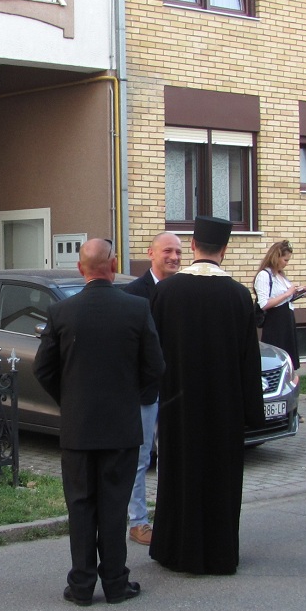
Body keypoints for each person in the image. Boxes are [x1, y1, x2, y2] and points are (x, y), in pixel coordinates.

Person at [35, 238, 164, 605]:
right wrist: (128, 396)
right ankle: (116, 583)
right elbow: (156, 366)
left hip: (78, 427)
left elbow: (43, 369)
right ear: (114, 264)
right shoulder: (137, 309)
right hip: (121, 427)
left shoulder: (62, 312)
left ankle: (80, 586)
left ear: (80, 269)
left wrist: (71, 400)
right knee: (114, 505)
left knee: (80, 506)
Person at [148, 215, 264, 576]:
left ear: (193, 247)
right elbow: (250, 358)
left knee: (179, 474)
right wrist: (252, 412)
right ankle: (219, 553)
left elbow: (153, 354)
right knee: (221, 478)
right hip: (224, 407)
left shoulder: (166, 292)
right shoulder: (239, 295)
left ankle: (175, 550)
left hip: (177, 404)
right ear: (224, 250)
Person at [121, 231, 181, 546]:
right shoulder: (133, 293)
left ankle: (171, 516)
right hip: (145, 391)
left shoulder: (184, 291)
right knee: (141, 458)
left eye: (179, 252)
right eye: (168, 251)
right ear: (152, 253)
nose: (174, 257)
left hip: (176, 391)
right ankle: (138, 521)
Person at [253, 240, 306, 369]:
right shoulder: (264, 275)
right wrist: (287, 293)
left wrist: (298, 293)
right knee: (277, 358)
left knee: (288, 359)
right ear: (276, 257)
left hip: (287, 320)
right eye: (285, 260)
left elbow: (285, 298)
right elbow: (264, 304)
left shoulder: (280, 275)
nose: (286, 264)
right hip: (275, 323)